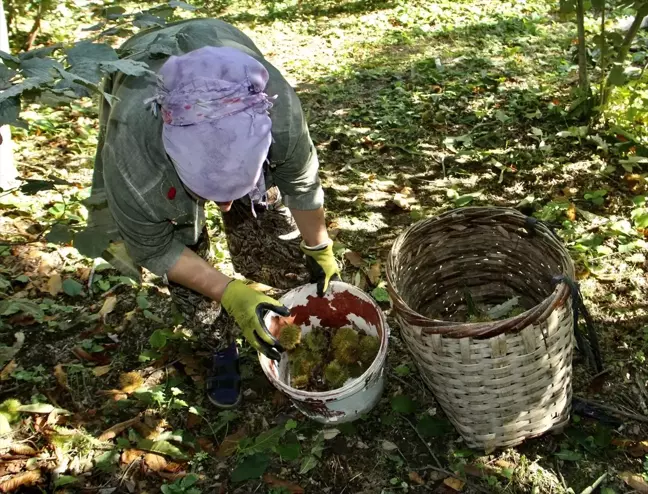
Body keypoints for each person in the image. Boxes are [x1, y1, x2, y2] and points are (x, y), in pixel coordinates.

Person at [80, 18, 340, 408]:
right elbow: (154, 247)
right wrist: (228, 292)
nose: (223, 208)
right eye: (211, 194)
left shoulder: (276, 108)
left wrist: (319, 248)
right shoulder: (135, 157)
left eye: (232, 193)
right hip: (142, 87)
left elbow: (300, 181)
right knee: (192, 269)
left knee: (268, 229)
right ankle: (222, 347)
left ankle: (293, 310)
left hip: (220, 54)